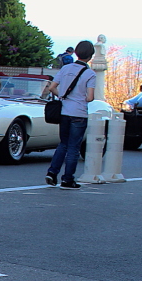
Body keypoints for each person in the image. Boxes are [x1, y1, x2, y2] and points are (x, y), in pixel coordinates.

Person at [43, 40, 96, 189]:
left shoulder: (65, 68)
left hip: (64, 112)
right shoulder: (90, 74)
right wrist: (80, 98)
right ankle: (67, 179)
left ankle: (52, 173)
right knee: (74, 147)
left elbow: (52, 88)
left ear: (77, 53)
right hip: (79, 113)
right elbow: (90, 97)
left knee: (63, 144)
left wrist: (63, 97)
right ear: (90, 55)